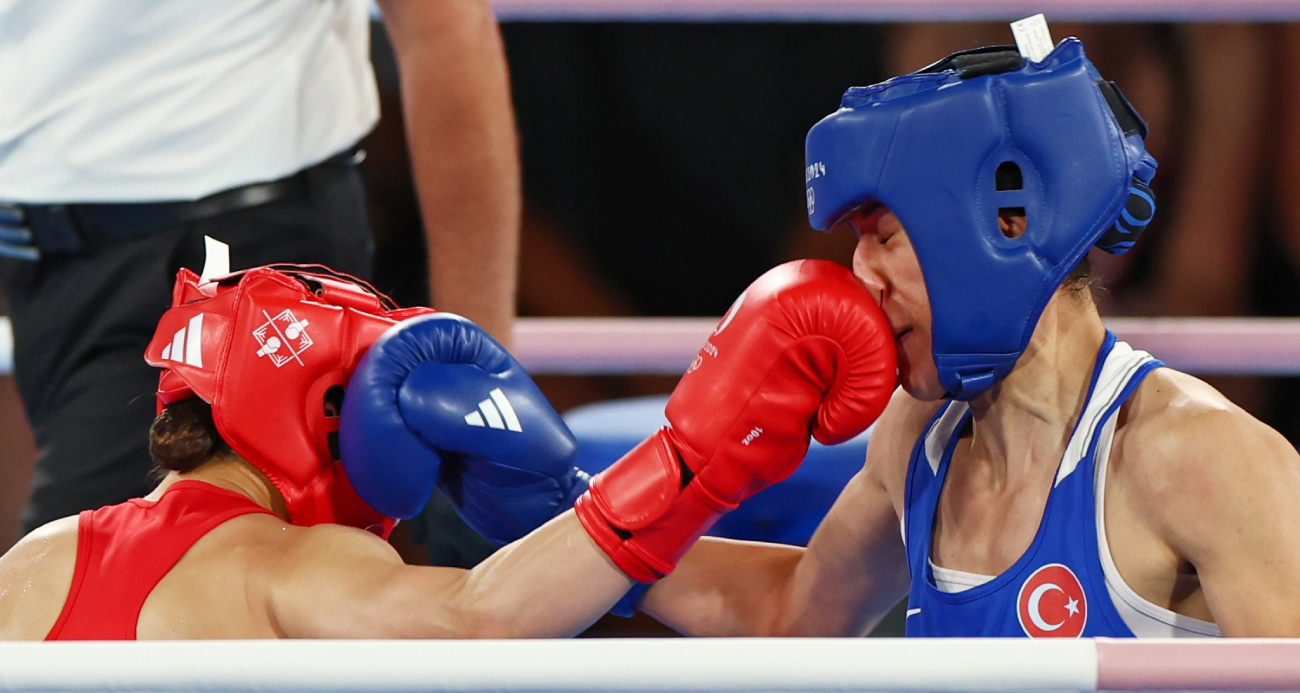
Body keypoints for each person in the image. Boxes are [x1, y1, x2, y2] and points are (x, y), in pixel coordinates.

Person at [594, 37, 1300, 638]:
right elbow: (793, 609)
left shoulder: (1201, 459)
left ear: (1008, 224)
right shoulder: (919, 433)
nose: (861, 277)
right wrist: (592, 519)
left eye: (887, 236)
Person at [0, 258, 897, 639]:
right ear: (331, 413)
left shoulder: (38, 554)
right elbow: (482, 618)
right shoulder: (289, 562)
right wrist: (689, 460)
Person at [0, 0, 520, 539]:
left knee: (88, 592)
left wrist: (474, 392)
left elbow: (443, 27)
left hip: (231, 249)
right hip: (40, 260)